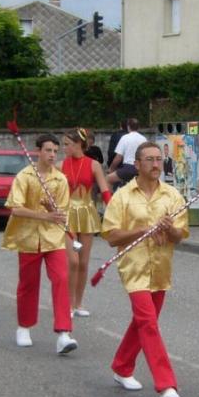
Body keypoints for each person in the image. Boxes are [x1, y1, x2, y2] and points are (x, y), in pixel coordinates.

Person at [101, 141, 189, 397]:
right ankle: (166, 385)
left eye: (158, 159)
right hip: (135, 268)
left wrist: (169, 228)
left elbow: (181, 235)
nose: (155, 164)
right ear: (137, 165)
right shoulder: (123, 196)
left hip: (161, 268)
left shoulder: (172, 196)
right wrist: (142, 231)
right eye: (149, 160)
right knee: (148, 323)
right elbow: (111, 236)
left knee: (143, 323)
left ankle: (122, 365)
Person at [2, 133, 77, 355]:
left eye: (55, 150)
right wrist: (43, 215)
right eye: (48, 150)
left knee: (61, 279)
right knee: (28, 283)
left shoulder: (60, 179)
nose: (52, 154)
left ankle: (64, 333)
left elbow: (62, 211)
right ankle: (24, 326)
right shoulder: (24, 176)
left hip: (53, 238)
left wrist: (55, 212)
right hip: (28, 237)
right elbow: (15, 208)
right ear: (38, 151)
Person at [61, 128, 112, 317]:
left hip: (87, 212)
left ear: (78, 144)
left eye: (67, 144)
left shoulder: (93, 165)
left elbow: (105, 189)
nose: (64, 148)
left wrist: (113, 211)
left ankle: (78, 303)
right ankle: (66, 303)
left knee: (83, 262)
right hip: (67, 214)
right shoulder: (60, 165)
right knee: (72, 261)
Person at [107, 118, 146, 187]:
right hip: (140, 169)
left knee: (107, 179)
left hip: (128, 168)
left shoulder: (125, 138)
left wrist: (111, 168)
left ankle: (111, 197)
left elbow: (118, 158)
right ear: (138, 127)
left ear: (128, 127)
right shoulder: (143, 139)